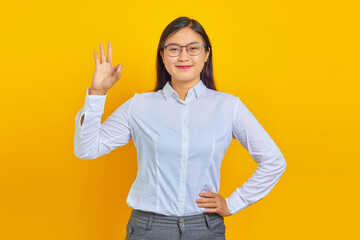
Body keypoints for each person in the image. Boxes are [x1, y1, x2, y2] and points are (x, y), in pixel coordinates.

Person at [74, 16, 286, 240]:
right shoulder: (139, 105)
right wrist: (97, 93)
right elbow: (87, 149)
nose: (183, 56)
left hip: (205, 228)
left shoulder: (229, 106)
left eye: (193, 48)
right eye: (174, 49)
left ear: (206, 54)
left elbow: (274, 161)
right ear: (163, 56)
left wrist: (233, 203)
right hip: (149, 228)